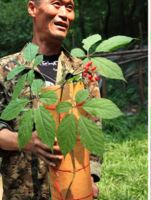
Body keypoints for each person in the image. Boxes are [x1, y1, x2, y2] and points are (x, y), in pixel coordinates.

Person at [0, 0, 100, 199]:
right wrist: (23, 140)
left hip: (72, 189)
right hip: (22, 191)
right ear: (32, 8)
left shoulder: (82, 72)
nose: (64, 14)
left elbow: (94, 127)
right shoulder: (6, 71)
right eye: (56, 4)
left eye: (69, 8)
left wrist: (92, 176)